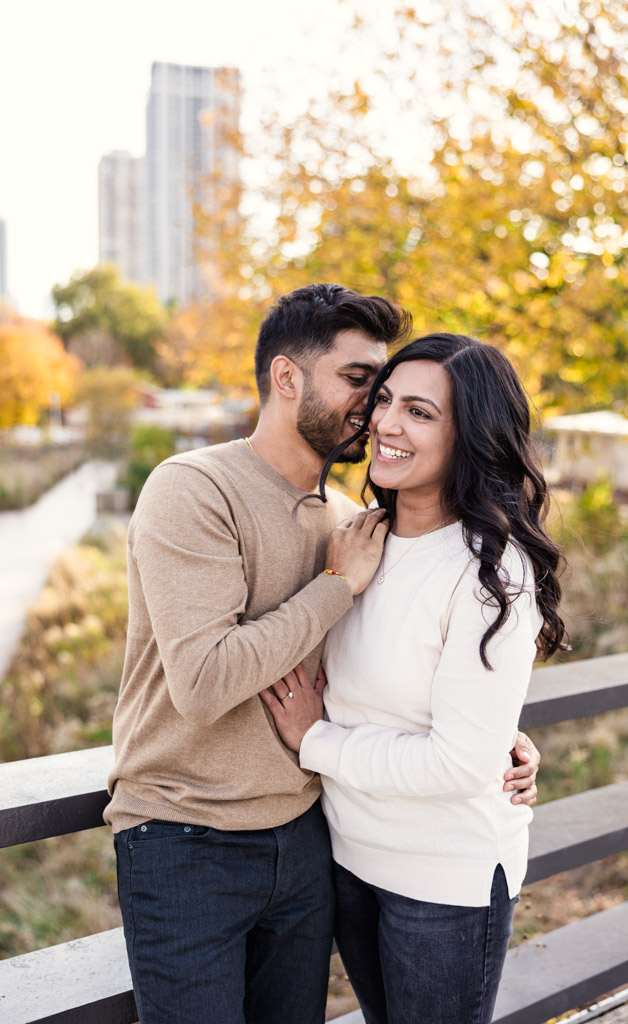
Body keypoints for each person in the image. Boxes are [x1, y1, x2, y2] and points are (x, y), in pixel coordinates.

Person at [104, 288, 541, 1024]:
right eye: (362, 383)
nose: (374, 411)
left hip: (311, 838)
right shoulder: (196, 488)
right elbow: (206, 682)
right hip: (188, 838)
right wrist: (336, 587)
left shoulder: (354, 524)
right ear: (286, 378)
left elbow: (393, 670)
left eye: (398, 397)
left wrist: (495, 735)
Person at [262, 332, 566, 1024]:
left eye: (421, 413)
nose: (387, 424)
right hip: (350, 862)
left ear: (471, 436)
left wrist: (315, 741)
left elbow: (458, 765)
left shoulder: (493, 571)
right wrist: (493, 729)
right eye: (385, 401)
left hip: (443, 884)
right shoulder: (356, 542)